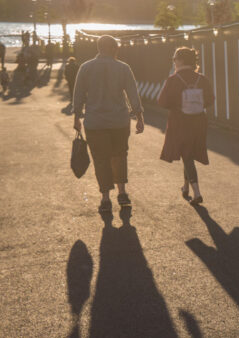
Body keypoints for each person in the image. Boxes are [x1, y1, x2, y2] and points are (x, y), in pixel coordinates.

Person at [73, 35, 145, 212]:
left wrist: (76, 118)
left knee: (101, 159)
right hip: (119, 121)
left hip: (95, 122)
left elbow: (79, 94)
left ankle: (105, 198)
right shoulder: (123, 68)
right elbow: (132, 93)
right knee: (120, 155)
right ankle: (122, 193)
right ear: (115, 49)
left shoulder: (86, 67)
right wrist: (139, 117)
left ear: (98, 48)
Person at [157, 46, 214, 204]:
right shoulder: (202, 79)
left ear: (181, 60)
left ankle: (197, 192)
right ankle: (185, 186)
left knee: (186, 155)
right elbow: (210, 100)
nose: (174, 62)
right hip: (199, 121)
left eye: (174, 59)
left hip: (179, 122)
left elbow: (162, 102)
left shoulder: (173, 79)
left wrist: (178, 105)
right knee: (188, 153)